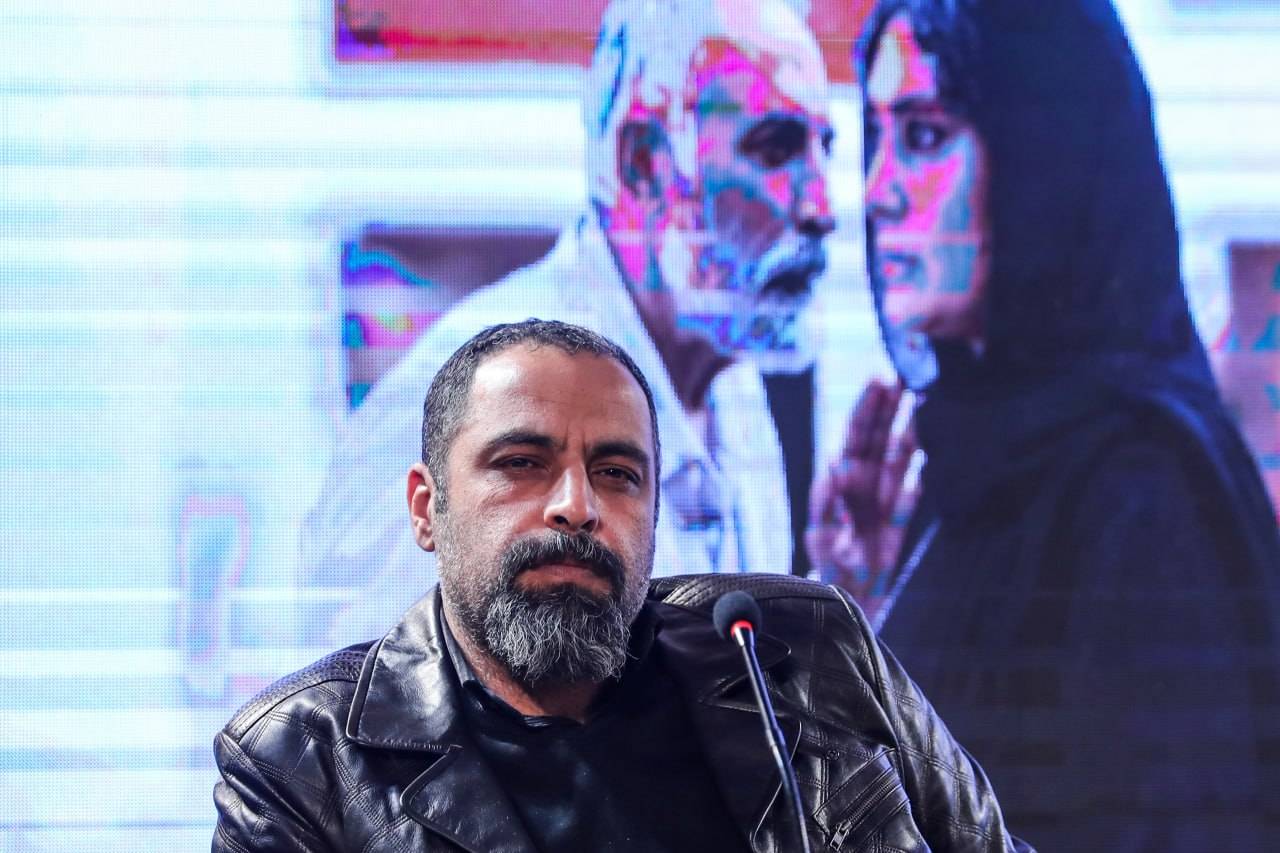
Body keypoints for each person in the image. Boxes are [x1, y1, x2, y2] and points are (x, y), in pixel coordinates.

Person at [213, 319, 1033, 852]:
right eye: (522, 463)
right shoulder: (303, 762)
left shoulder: (802, 648)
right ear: (428, 509)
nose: (577, 505)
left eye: (617, 472)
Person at [821, 0, 1280, 847]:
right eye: (876, 137)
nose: (878, 190)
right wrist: (869, 612)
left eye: (923, 136)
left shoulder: (1143, 492)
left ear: (1044, 160)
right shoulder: (987, 461)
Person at [302, 0, 838, 645]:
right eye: (776, 148)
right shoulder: (469, 394)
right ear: (644, 164)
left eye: (823, 150)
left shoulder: (729, 383)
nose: (822, 207)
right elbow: (379, 695)